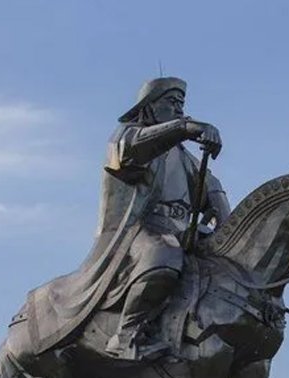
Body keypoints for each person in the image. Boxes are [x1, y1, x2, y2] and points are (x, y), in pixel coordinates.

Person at [25, 75, 230, 361]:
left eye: (182, 105)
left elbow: (211, 187)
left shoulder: (185, 157)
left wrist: (228, 225)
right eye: (172, 103)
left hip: (185, 227)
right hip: (142, 228)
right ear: (150, 107)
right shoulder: (127, 136)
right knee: (164, 257)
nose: (179, 110)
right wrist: (185, 128)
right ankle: (126, 335)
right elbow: (131, 152)